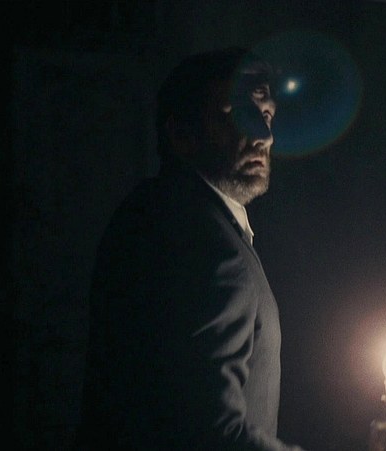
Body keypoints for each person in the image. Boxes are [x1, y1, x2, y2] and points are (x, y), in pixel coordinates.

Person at [78, 48, 304, 450]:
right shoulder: (209, 248)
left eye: (266, 115)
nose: (264, 136)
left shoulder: (151, 212)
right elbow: (210, 433)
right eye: (237, 115)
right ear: (181, 134)